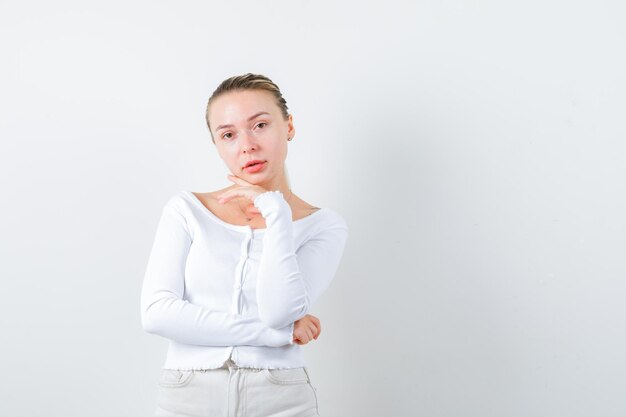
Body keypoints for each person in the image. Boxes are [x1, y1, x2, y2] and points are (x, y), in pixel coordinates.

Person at [140, 73, 349, 417]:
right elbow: (157, 313)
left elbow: (278, 311)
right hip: (188, 395)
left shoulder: (323, 226)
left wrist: (276, 212)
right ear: (218, 145)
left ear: (289, 127)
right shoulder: (187, 211)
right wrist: (276, 334)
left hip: (281, 398)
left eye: (260, 125)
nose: (247, 144)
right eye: (228, 135)